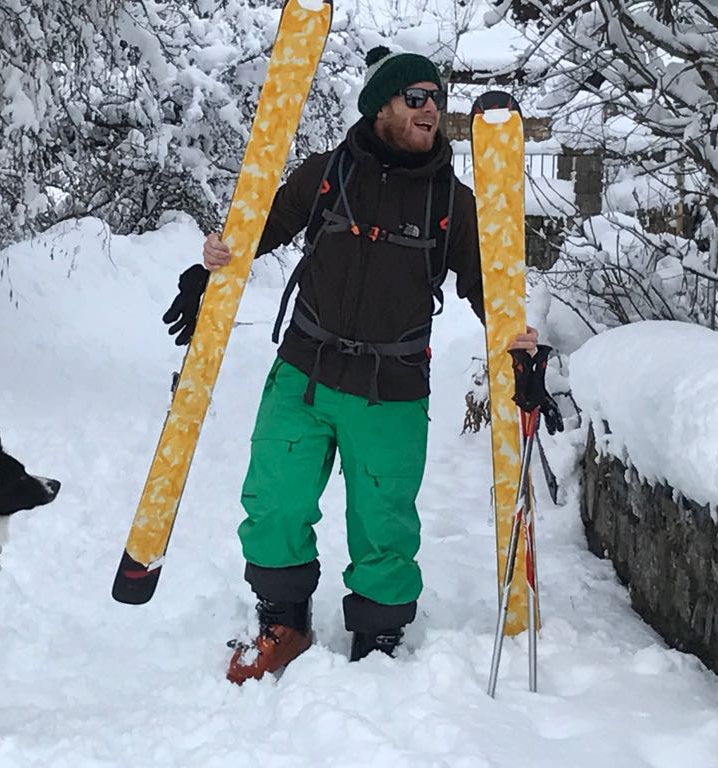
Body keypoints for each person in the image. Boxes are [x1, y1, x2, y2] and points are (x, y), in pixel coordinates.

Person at [162, 45, 538, 684]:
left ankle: (378, 642)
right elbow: (258, 231)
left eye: (437, 100)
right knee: (275, 502)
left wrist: (520, 351)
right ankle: (283, 624)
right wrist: (210, 271)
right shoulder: (327, 173)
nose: (430, 110)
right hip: (304, 373)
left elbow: (491, 293)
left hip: (390, 392)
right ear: (382, 105)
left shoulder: (452, 200)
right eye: (416, 98)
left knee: (384, 527)